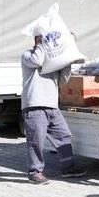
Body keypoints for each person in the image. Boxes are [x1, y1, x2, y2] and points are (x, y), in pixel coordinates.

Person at [21, 34, 86, 185]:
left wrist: (67, 62)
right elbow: (37, 60)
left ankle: (68, 168)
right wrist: (40, 44)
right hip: (34, 105)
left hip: (51, 105)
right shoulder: (27, 55)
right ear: (37, 41)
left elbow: (62, 79)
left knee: (63, 136)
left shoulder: (52, 60)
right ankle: (34, 173)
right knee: (36, 140)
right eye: (40, 40)